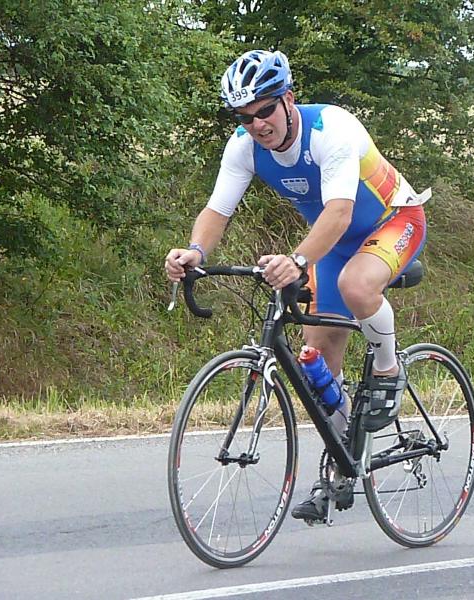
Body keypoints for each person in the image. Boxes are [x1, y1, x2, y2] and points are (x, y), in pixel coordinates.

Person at [165, 49, 429, 521]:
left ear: (288, 99)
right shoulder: (244, 147)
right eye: (244, 117)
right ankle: (343, 466)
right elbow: (218, 209)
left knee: (356, 285)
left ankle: (389, 373)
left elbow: (340, 212)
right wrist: (196, 252)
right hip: (334, 243)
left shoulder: (331, 128)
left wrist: (297, 260)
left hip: (394, 221)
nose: (257, 124)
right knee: (316, 361)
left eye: (265, 110)